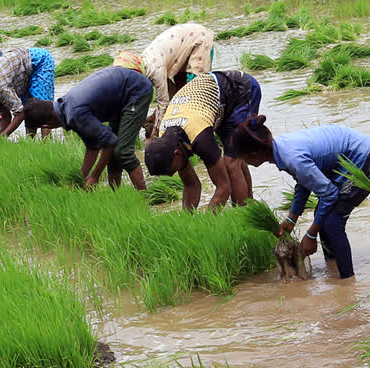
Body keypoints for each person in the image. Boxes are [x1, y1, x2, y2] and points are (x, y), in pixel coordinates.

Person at [230, 117, 370, 279]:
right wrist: (292, 218)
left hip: (363, 158)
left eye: (243, 158)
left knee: (332, 221)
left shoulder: (292, 158)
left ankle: (347, 281)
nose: (244, 162)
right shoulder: (280, 149)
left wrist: (311, 235)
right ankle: (333, 268)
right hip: (347, 157)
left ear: (253, 155)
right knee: (323, 216)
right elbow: (303, 183)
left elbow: (330, 194)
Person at [143, 70, 260, 211]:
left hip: (240, 89)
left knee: (231, 164)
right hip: (213, 104)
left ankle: (243, 216)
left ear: (177, 153)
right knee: (234, 157)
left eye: (172, 170)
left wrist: (206, 222)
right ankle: (250, 207)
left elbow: (224, 188)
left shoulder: (199, 137)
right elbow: (191, 185)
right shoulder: (167, 139)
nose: (173, 174)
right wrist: (187, 219)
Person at [23, 66, 153, 191]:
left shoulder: (74, 114)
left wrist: (94, 177)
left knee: (123, 151)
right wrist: (81, 179)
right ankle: (116, 196)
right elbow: (93, 146)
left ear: (47, 125)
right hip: (119, 94)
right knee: (112, 155)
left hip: (136, 91)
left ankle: (144, 198)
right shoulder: (66, 108)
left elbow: (111, 142)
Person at [115, 23, 214, 135]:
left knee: (195, 88)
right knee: (180, 90)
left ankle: (200, 128)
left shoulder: (156, 70)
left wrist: (156, 132)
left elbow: (164, 102)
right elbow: (170, 91)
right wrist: (155, 116)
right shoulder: (144, 64)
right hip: (181, 43)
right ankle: (183, 124)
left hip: (198, 38)